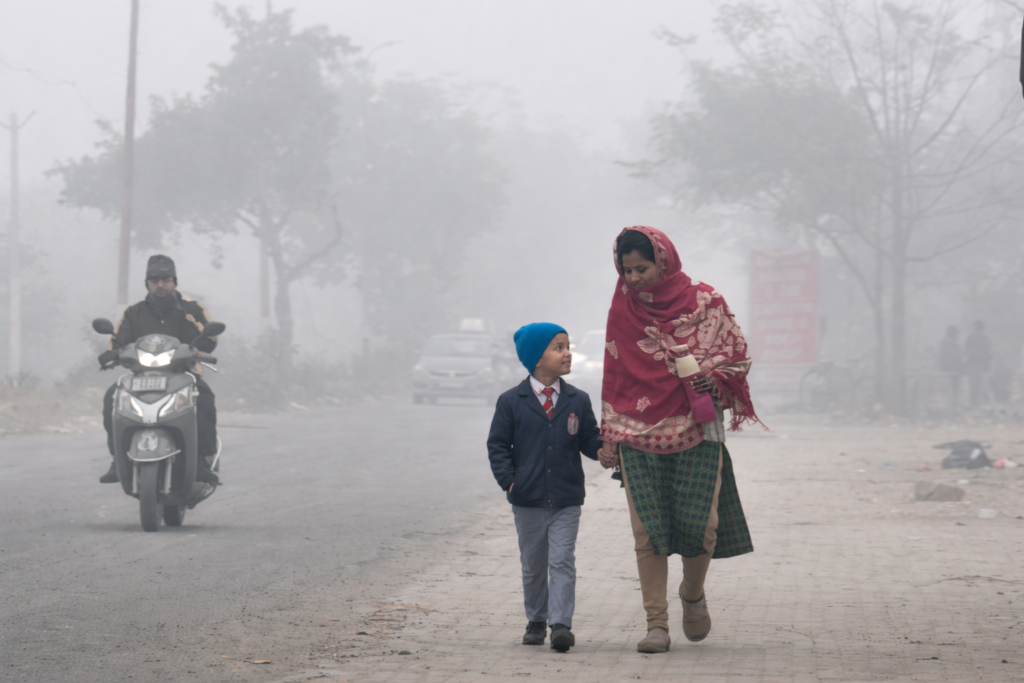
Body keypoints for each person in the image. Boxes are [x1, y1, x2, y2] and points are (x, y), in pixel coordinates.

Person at [596, 226, 760, 654]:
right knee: (647, 533)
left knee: (702, 528)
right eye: (627, 270)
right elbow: (615, 372)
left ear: (664, 261)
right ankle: (656, 625)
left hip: (698, 427)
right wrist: (609, 430)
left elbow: (736, 356)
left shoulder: (707, 301)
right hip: (636, 432)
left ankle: (692, 593)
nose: (634, 278)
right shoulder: (623, 307)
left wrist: (708, 377)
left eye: (642, 268)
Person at [487, 323, 602, 652]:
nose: (568, 354)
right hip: (528, 498)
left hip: (567, 497)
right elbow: (498, 446)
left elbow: (588, 438)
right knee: (533, 564)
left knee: (562, 560)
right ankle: (536, 620)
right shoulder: (511, 401)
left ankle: (561, 624)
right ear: (537, 358)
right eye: (559, 347)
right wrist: (511, 481)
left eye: (568, 347)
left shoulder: (578, 399)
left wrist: (603, 451)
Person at [98, 255, 221, 485]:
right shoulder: (133, 312)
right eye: (154, 280)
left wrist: (199, 349)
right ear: (147, 283)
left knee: (204, 398)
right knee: (111, 398)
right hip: (141, 376)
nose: (160, 284)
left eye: (166, 279)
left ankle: (203, 460)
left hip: (184, 374)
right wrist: (111, 354)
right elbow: (117, 341)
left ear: (175, 281)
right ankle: (117, 459)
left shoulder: (193, 308)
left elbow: (210, 338)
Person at [964, 320, 993, 408]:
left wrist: (986, 361)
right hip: (972, 366)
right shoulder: (970, 338)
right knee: (973, 386)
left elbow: (989, 353)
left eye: (978, 327)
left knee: (983, 386)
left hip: (982, 366)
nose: (977, 328)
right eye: (976, 327)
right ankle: (974, 405)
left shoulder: (985, 339)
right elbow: (966, 351)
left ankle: (985, 404)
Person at [937, 325, 963, 408]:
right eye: (956, 334)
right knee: (947, 388)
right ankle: (948, 405)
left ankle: (953, 405)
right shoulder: (945, 343)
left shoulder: (956, 345)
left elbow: (959, 358)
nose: (957, 336)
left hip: (954, 371)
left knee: (954, 389)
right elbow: (942, 357)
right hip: (947, 370)